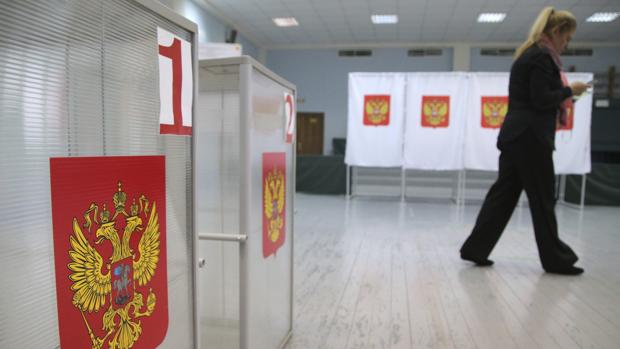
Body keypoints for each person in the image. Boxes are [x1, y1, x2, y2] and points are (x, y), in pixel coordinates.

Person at [460, 7, 590, 275]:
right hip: (530, 138)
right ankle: (555, 259)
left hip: (516, 136)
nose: (567, 44)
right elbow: (541, 99)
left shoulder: (531, 54)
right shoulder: (542, 58)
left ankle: (476, 248)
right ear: (555, 32)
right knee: (542, 198)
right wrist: (569, 90)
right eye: (567, 38)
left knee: (503, 196)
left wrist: (566, 94)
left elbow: (537, 96)